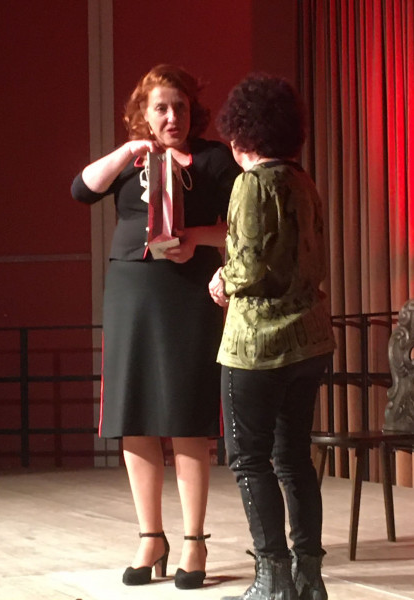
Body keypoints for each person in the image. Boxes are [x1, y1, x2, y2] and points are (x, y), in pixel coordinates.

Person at [71, 64, 240, 590]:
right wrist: (129, 151)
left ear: (193, 112)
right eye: (161, 108)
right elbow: (80, 189)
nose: (172, 117)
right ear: (143, 115)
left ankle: (193, 541)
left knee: (187, 414)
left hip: (188, 292)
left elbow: (241, 225)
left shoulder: (212, 159)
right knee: (135, 413)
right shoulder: (130, 161)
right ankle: (151, 537)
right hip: (132, 292)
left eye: (180, 107)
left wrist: (196, 238)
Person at [208, 73, 336, 600]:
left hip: (256, 345)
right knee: (294, 458)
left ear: (242, 133)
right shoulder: (304, 182)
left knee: (249, 460)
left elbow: (249, 264)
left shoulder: (252, 183)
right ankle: (309, 577)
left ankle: (272, 579)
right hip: (309, 339)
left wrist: (222, 279)